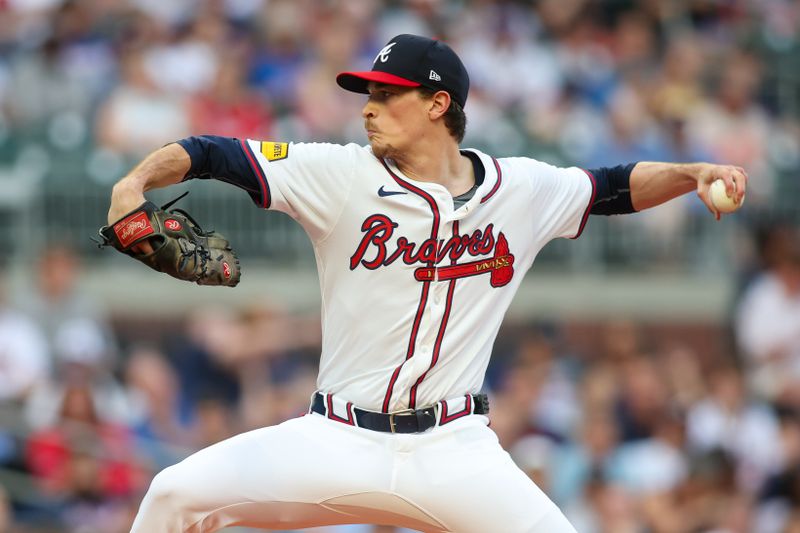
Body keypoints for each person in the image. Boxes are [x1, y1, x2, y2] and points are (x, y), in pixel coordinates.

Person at [106, 34, 748, 533]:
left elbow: (612, 187)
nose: (370, 108)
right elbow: (215, 152)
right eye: (369, 94)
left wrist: (692, 171)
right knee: (173, 495)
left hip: (455, 448)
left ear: (439, 104)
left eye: (389, 94)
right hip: (337, 439)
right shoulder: (338, 174)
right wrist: (134, 184)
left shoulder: (518, 188)